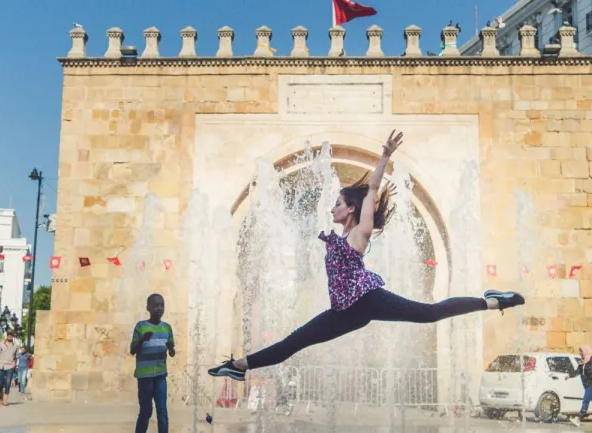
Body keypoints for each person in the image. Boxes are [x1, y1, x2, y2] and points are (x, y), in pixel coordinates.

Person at [208, 130, 525, 381]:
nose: (332, 208)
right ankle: (239, 366)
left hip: (368, 299)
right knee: (295, 341)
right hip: (344, 312)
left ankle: (493, 300)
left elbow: (372, 190)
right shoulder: (339, 237)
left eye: (337, 204)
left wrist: (385, 157)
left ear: (351, 210)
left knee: (430, 313)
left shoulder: (359, 234)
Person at [130, 294, 175, 433]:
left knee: (162, 413)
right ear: (148, 308)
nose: (159, 309)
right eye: (155, 305)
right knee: (146, 412)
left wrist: (171, 348)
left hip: (160, 376)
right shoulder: (141, 326)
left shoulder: (167, 328)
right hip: (145, 378)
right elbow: (132, 350)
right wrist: (142, 339)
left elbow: (172, 352)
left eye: (162, 305)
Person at [0, 331, 20, 406]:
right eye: (8, 335)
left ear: (13, 336)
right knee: (0, 383)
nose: (10, 336)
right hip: (1, 365)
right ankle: (1, 394)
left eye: (11, 335)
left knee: (8, 383)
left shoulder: (16, 346)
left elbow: (16, 357)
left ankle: (5, 400)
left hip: (10, 366)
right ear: (7, 336)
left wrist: (15, 364)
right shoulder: (1, 343)